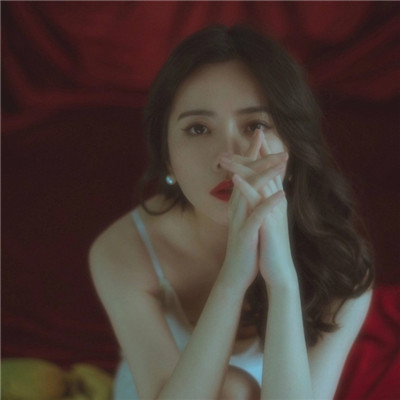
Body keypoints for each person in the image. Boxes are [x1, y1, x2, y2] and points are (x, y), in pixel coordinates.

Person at [89, 24, 374, 400]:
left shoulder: (342, 265)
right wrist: (233, 278)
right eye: (197, 129)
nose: (227, 159)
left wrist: (282, 282)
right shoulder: (125, 249)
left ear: (292, 146)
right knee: (233, 389)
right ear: (167, 157)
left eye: (256, 125)